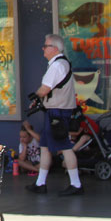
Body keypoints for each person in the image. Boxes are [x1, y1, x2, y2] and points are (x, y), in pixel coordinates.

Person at [27, 34, 82, 196]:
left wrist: (36, 97)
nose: (43, 49)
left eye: (46, 46)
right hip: (56, 110)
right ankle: (40, 182)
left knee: (65, 146)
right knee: (44, 146)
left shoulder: (57, 66)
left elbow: (45, 89)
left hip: (57, 111)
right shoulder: (61, 64)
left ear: (55, 49)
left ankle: (76, 184)